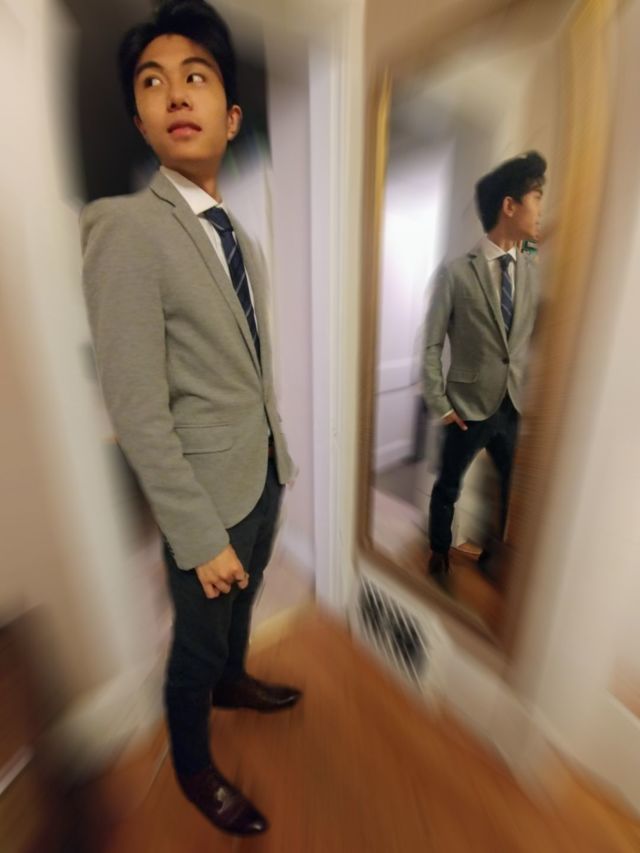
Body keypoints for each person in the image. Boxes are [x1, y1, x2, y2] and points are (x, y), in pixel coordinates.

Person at [81, 0, 300, 836]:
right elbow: (136, 410)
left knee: (242, 614)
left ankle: (233, 682)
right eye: (153, 82)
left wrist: (277, 461)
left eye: (196, 77)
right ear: (140, 120)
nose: (175, 93)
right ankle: (194, 764)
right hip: (203, 500)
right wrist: (198, 534)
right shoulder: (126, 229)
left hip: (261, 472)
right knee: (197, 645)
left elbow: (246, 369)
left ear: (230, 116)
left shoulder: (241, 238)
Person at [423, 151, 546, 588]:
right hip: (465, 406)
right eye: (536, 197)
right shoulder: (457, 274)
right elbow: (432, 344)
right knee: (448, 486)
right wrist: (440, 404)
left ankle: (495, 557)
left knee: (509, 490)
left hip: (512, 406)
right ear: (509, 206)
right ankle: (439, 551)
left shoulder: (531, 268)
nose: (541, 208)